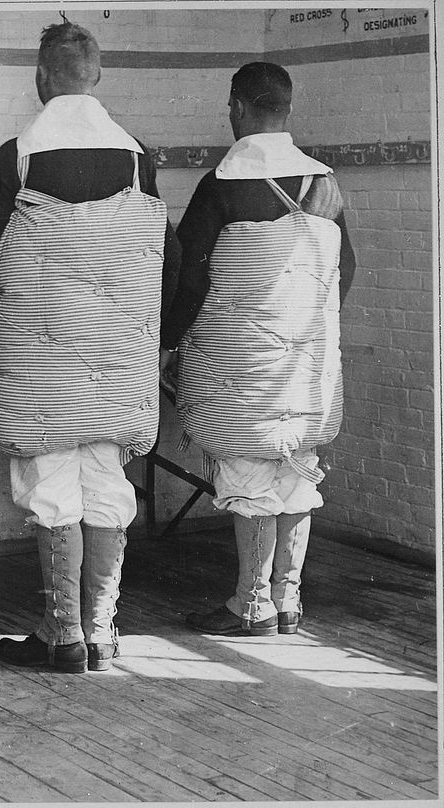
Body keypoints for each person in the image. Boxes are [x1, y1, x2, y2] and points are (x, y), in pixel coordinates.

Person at [0, 22, 182, 674]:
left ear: (40, 76)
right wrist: (155, 340)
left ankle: (63, 636)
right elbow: (165, 254)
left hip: (37, 367)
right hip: (119, 361)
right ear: (97, 74)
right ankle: (102, 631)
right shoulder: (138, 157)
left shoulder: (18, 156)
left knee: (50, 486)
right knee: (107, 485)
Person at [160, 62, 356, 637]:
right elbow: (344, 270)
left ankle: (250, 606)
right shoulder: (325, 183)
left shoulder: (224, 185)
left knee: (246, 468)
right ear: (286, 110)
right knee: (298, 469)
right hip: (306, 362)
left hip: (240, 366)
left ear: (239, 107)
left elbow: (190, 279)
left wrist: (168, 344)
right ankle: (287, 601)